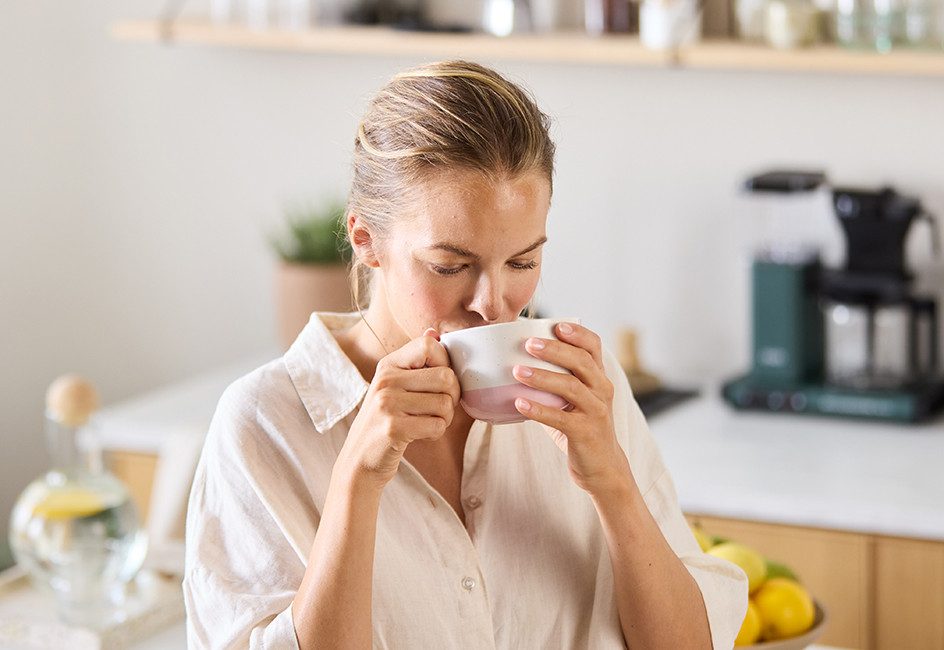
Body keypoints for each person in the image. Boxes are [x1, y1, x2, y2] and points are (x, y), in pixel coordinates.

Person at [183, 60, 747, 649]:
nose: (494, 304)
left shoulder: (583, 387)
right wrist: (357, 478)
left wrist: (613, 483)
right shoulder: (264, 425)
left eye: (523, 262)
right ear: (365, 239)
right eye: (450, 265)